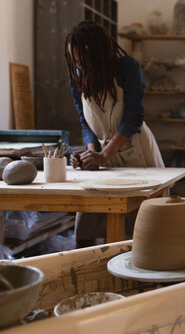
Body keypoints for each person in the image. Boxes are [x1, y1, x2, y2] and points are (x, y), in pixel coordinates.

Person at [64, 21, 164, 247]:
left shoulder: (126, 67)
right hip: (102, 151)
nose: (78, 65)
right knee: (88, 220)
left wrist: (105, 153)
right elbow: (86, 122)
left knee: (138, 224)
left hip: (134, 146)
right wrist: (90, 153)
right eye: (75, 61)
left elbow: (133, 117)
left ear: (98, 54)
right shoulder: (77, 78)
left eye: (82, 60)